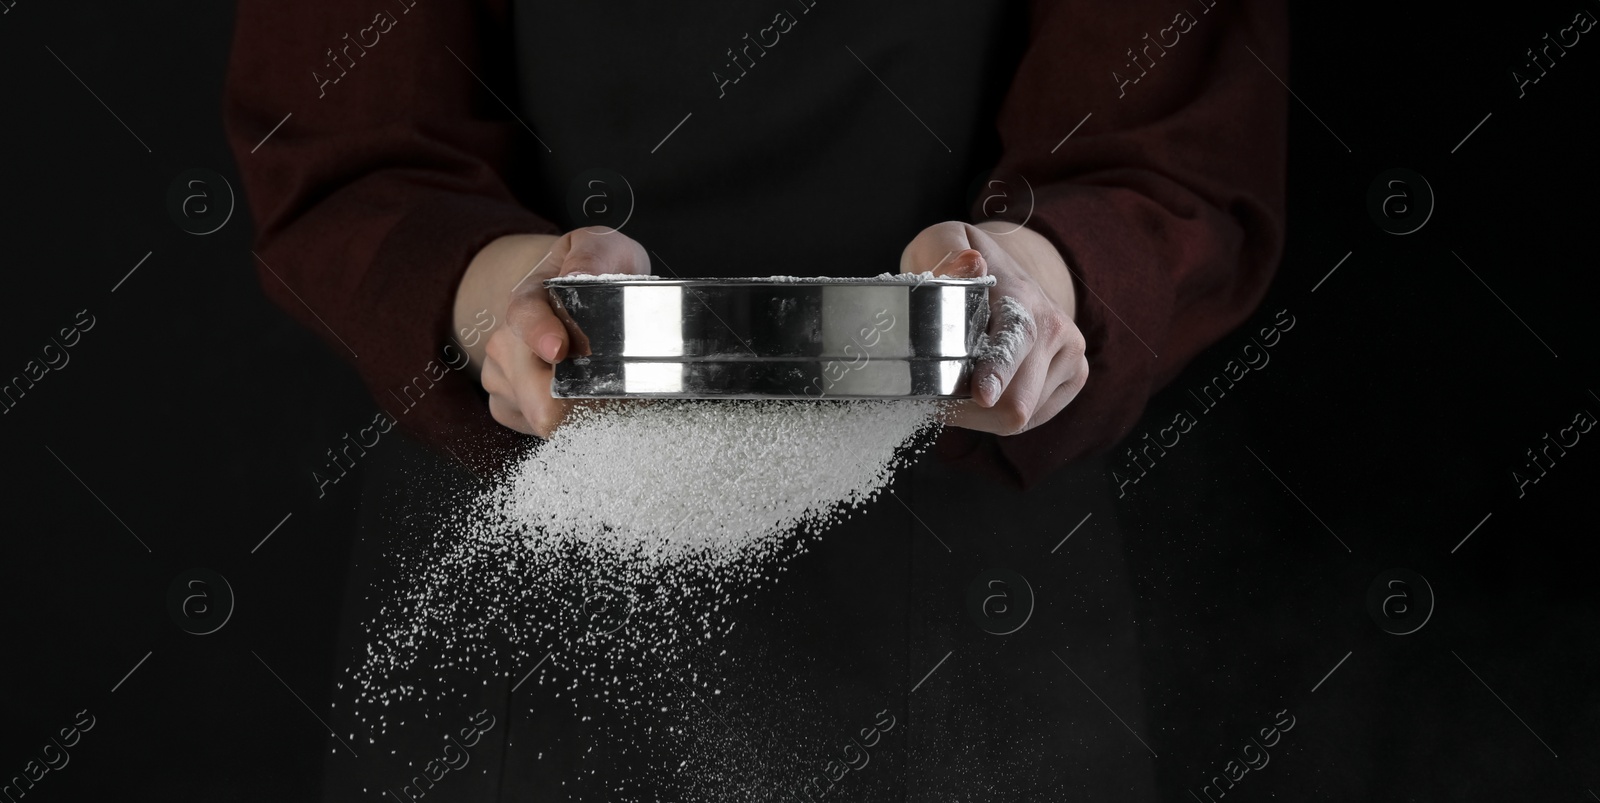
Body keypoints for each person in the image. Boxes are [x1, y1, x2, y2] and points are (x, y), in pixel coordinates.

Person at [227, 0, 1286, 799]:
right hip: (529, 544)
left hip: (974, 576)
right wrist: (506, 306)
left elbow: (1172, 150)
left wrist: (1028, 289)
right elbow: (345, 145)